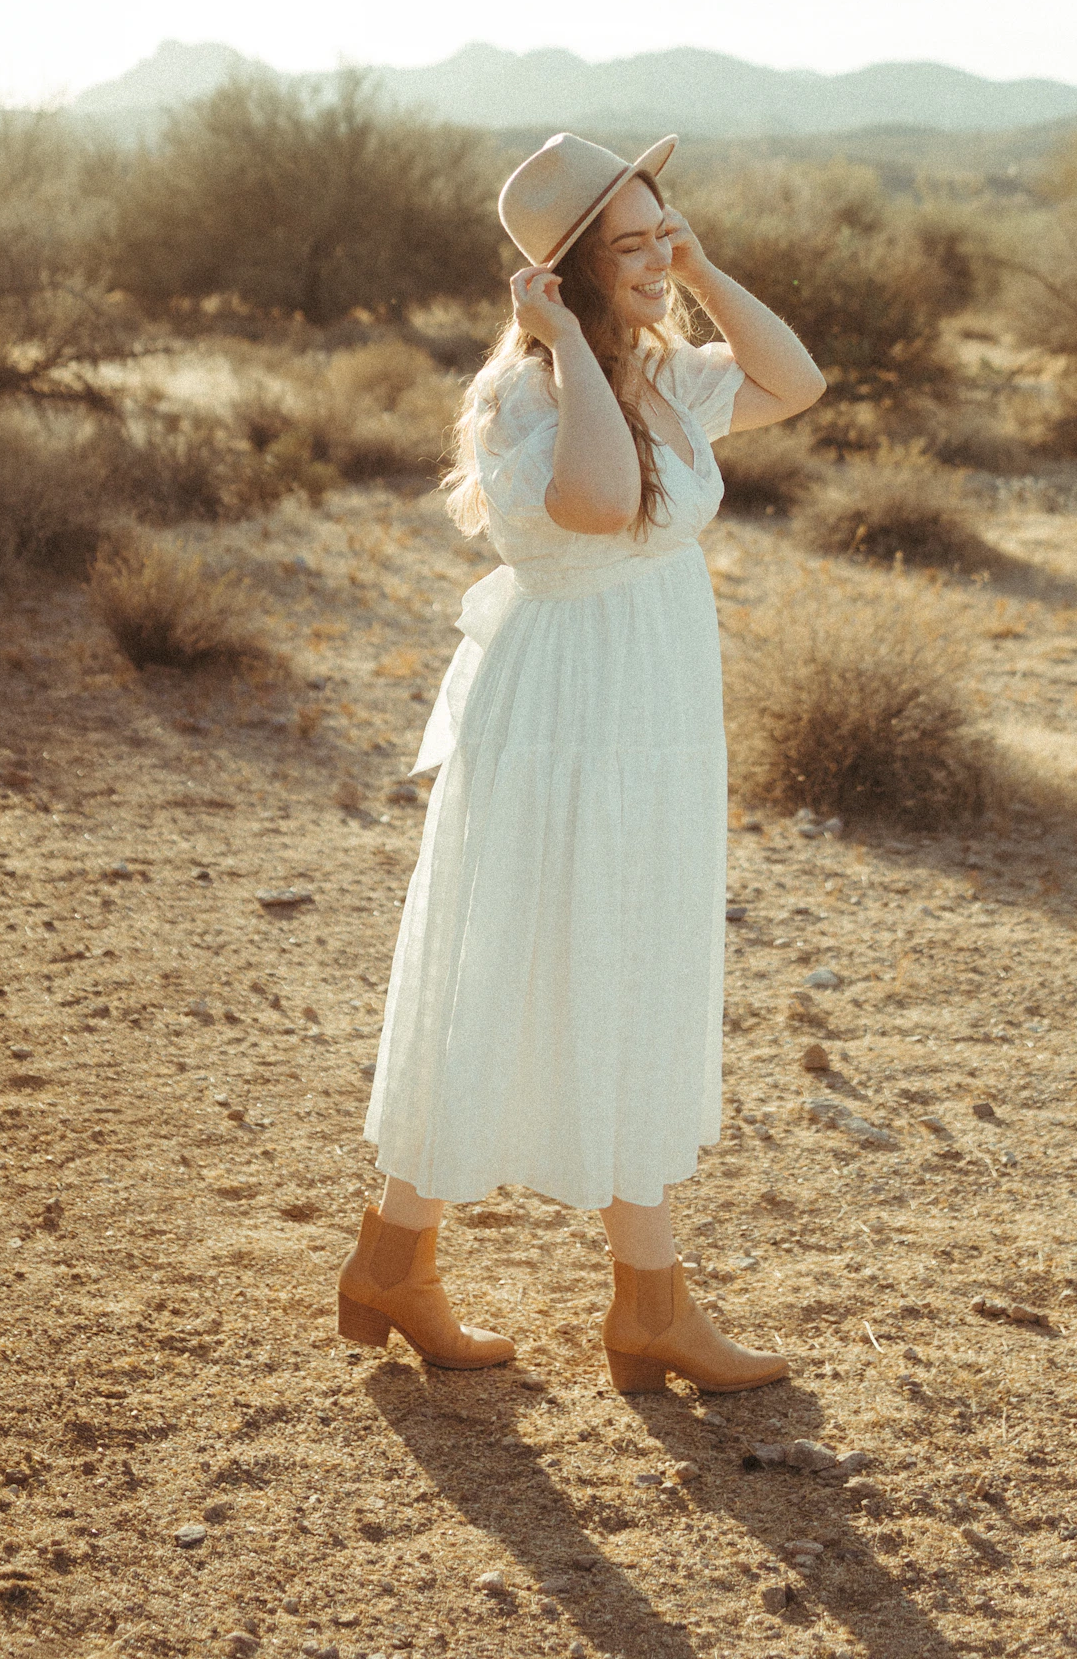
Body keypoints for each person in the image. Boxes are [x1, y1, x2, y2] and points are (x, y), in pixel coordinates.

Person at [338, 130, 826, 1391]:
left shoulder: (660, 371)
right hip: (565, 717)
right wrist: (557, 342)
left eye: (666, 228)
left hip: (655, 706)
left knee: (633, 962)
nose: (658, 259)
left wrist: (701, 266)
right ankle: (429, 1266)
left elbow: (799, 379)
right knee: (516, 965)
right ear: (564, 275)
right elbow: (605, 506)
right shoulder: (531, 396)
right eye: (634, 244)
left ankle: (626, 1298)